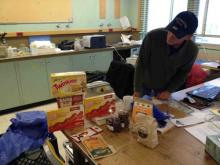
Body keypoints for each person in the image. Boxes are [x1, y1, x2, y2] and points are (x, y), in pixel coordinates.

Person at [134, 11, 198, 100]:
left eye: (177, 35)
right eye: (170, 30)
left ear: (189, 37)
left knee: (164, 112)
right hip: (145, 86)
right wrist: (137, 90)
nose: (170, 36)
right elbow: (141, 64)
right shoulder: (152, 37)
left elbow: (183, 73)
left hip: (165, 89)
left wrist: (169, 90)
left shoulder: (191, 50)